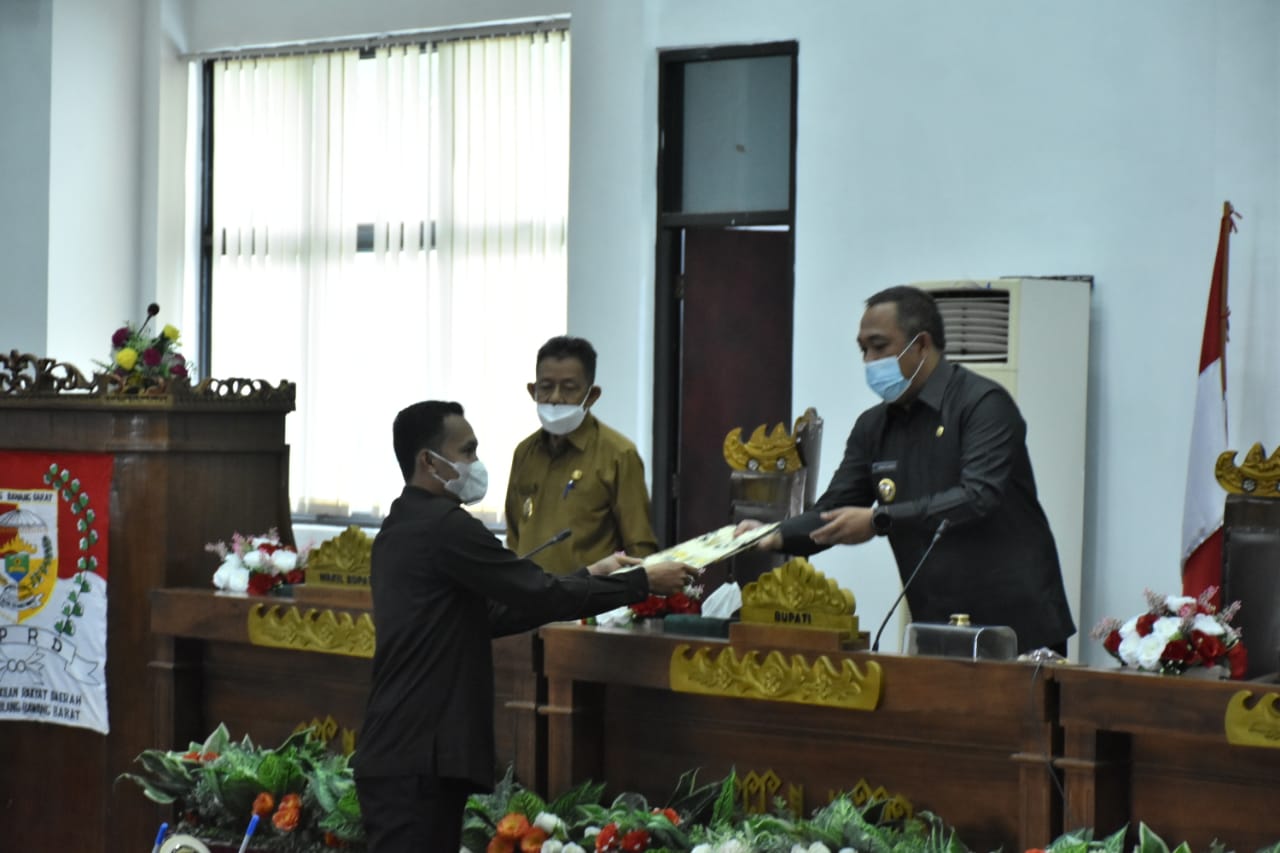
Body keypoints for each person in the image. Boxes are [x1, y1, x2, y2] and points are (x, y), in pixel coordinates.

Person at [353, 400, 696, 852]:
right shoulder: (446, 528)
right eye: (467, 451)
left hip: (403, 751)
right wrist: (641, 581)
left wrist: (590, 574)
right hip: (419, 755)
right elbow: (539, 592)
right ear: (428, 462)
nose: (476, 463)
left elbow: (496, 613)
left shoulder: (402, 523)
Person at [741, 285, 1075, 654]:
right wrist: (773, 534)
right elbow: (833, 511)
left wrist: (879, 520)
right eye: (863, 349)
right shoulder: (873, 426)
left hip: (1017, 624)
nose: (869, 360)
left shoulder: (983, 404)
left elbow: (978, 497)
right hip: (935, 623)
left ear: (921, 345)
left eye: (879, 346)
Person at [504, 336, 659, 574]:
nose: (555, 398)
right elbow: (515, 535)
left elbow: (639, 546)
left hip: (591, 594)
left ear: (592, 395)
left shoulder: (619, 454)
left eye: (569, 389)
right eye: (546, 387)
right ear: (533, 391)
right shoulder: (524, 452)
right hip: (528, 593)